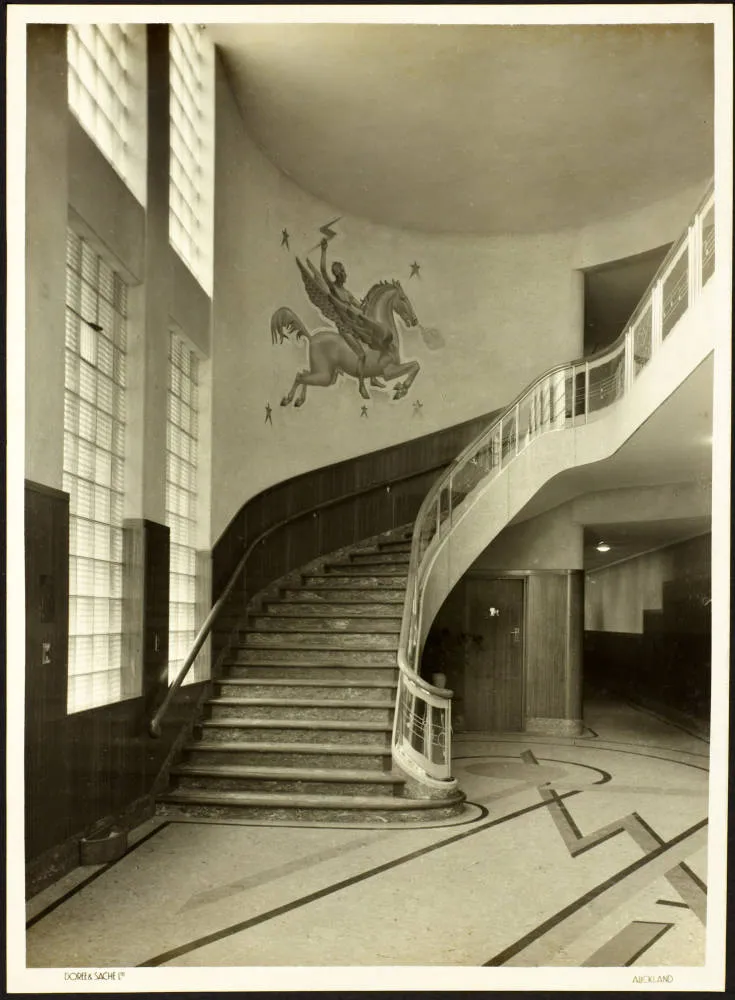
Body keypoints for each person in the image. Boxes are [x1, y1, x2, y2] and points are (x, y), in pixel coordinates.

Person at [319, 238, 390, 398]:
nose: (346, 275)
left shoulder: (346, 293)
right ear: (338, 275)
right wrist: (324, 250)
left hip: (355, 325)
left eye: (344, 272)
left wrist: (367, 305)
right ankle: (362, 385)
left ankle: (373, 378)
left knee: (374, 344)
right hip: (346, 329)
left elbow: (359, 306)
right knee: (362, 355)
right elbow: (323, 271)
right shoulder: (334, 289)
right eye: (343, 273)